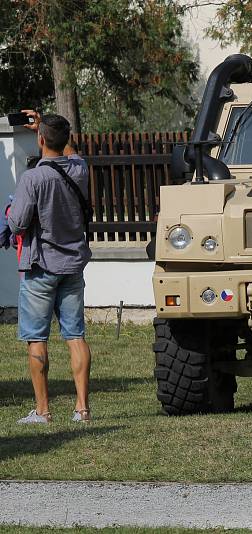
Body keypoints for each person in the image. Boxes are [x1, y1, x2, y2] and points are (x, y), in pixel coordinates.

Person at [7, 110, 93, 424]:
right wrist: (46, 125)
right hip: (73, 266)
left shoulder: (33, 178)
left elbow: (16, 224)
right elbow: (71, 153)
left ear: (40, 139)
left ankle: (42, 411)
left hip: (41, 266)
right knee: (75, 336)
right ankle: (82, 409)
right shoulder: (80, 170)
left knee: (36, 338)